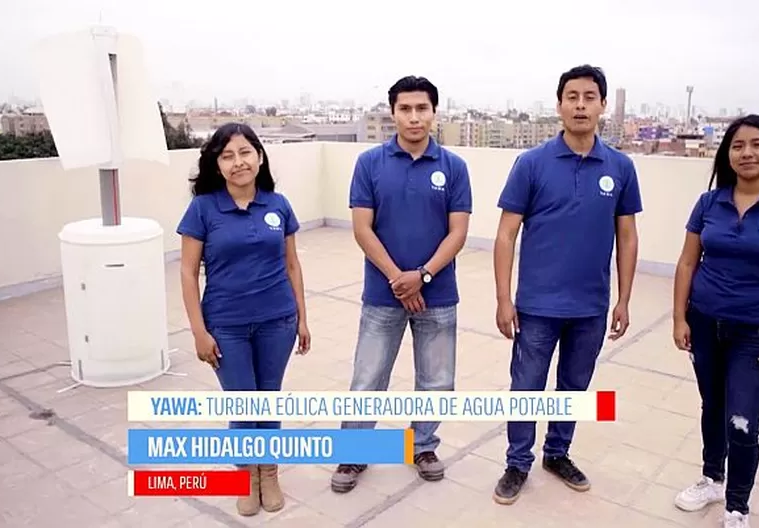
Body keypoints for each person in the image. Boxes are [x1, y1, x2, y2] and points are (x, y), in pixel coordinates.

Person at [491, 65, 643, 505]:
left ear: (602, 105)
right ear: (559, 105)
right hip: (537, 305)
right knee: (527, 387)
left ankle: (557, 454)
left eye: (589, 97)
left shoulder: (620, 166)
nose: (580, 105)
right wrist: (504, 299)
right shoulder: (532, 163)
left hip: (591, 306)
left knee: (574, 387)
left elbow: (628, 236)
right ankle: (517, 462)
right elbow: (505, 234)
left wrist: (624, 299)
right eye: (572, 96)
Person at [670, 114, 759, 528]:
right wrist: (680, 317)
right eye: (737, 146)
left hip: (756, 331)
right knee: (712, 406)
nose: (747, 153)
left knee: (742, 420)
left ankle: (737, 507)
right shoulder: (709, 203)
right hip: (704, 323)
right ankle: (712, 478)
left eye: (757, 144)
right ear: (727, 154)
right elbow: (687, 262)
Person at [330, 75, 472, 493]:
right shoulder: (370, 164)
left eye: (422, 108)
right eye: (405, 109)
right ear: (392, 112)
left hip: (438, 295)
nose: (414, 117)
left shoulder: (453, 167)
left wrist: (423, 276)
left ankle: (423, 445)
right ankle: (353, 453)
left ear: (434, 112)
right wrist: (398, 278)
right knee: (368, 377)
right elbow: (362, 228)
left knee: (437, 379)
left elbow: (458, 232)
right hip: (383, 294)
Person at [176, 122, 311, 516]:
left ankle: (268, 472)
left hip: (278, 321)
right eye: (228, 156)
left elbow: (292, 263)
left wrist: (302, 318)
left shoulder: (278, 204)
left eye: (245, 152)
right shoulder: (203, 209)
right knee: (242, 404)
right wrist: (199, 332)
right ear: (217, 165)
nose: (238, 162)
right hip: (226, 325)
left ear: (260, 156)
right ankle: (244, 476)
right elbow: (187, 273)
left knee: (268, 400)